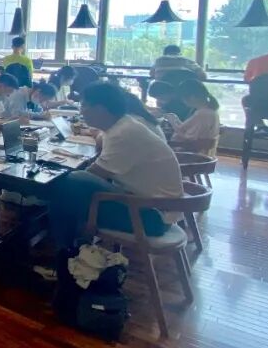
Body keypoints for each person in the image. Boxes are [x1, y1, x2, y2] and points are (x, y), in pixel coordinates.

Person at [43, 82, 184, 250]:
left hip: (151, 217)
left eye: (84, 106)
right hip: (151, 206)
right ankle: (69, 250)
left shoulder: (123, 133)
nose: (81, 111)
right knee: (67, 191)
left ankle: (65, 252)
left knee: (67, 186)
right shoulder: (124, 125)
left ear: (100, 109)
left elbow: (92, 175)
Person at [167, 79, 221, 155]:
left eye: (183, 99)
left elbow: (189, 138)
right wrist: (175, 119)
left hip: (190, 152)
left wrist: (172, 123)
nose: (183, 102)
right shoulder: (210, 111)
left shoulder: (203, 114)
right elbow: (187, 129)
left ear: (192, 97)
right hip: (195, 150)